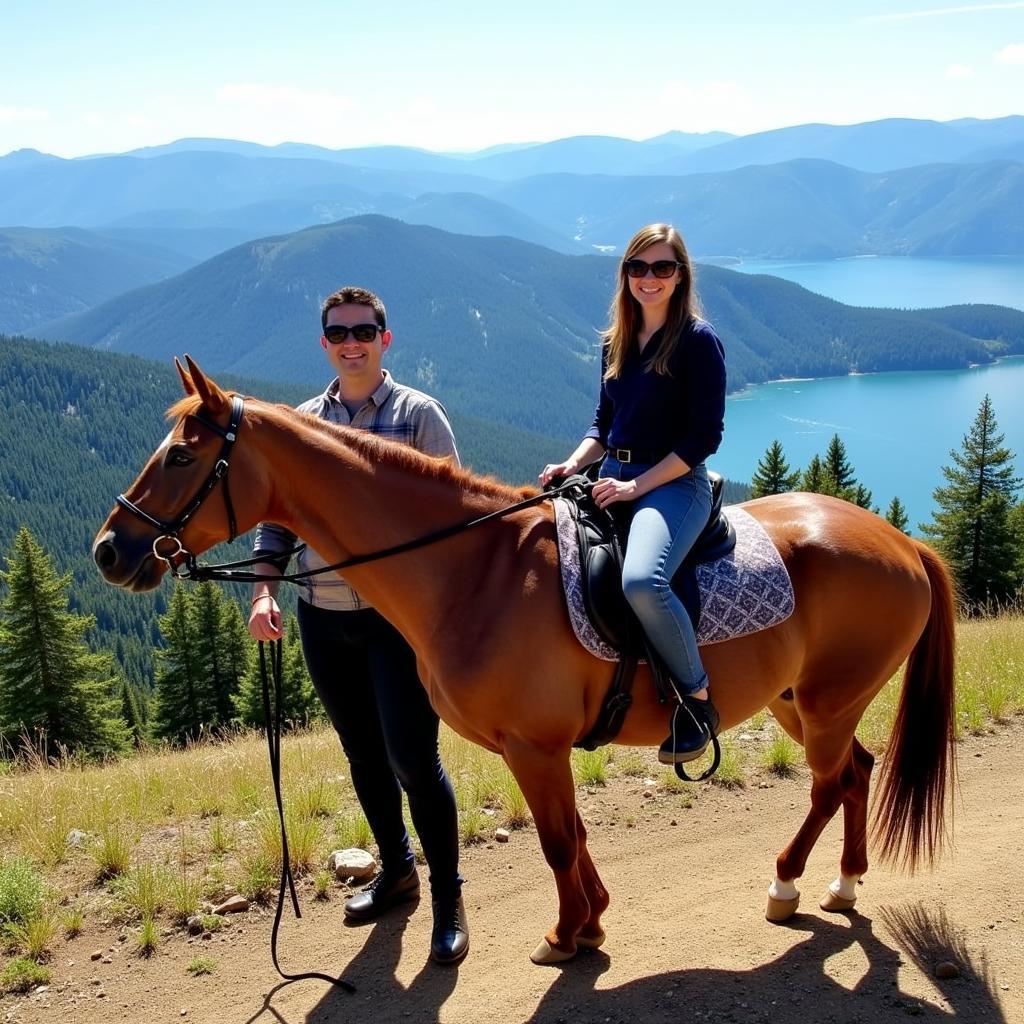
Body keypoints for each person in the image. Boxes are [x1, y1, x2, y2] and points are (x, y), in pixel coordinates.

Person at [248, 285, 469, 965]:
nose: (352, 342)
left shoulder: (418, 416)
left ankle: (447, 898)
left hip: (396, 625)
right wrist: (263, 591)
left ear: (385, 338)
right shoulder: (304, 422)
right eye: (339, 333)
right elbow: (277, 515)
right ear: (324, 343)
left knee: (413, 759)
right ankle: (397, 872)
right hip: (321, 616)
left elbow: (454, 520)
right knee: (363, 756)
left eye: (364, 331)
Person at [540, 224, 727, 764]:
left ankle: (696, 699)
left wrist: (635, 486)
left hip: (674, 483)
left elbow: (702, 439)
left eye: (662, 268)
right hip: (613, 477)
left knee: (643, 580)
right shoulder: (615, 340)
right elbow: (603, 423)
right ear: (625, 274)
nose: (649, 278)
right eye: (638, 268)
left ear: (680, 275)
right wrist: (570, 464)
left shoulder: (697, 341)